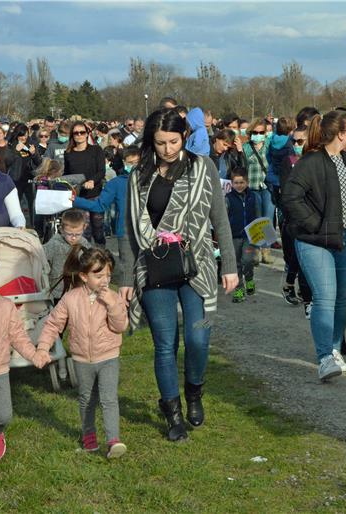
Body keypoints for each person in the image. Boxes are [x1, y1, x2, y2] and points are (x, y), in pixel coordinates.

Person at [118, 108, 237, 442]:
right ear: (150, 142)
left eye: (173, 141)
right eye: (160, 143)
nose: (167, 149)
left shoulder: (203, 168)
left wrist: (229, 264)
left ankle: (194, 393)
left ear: (184, 136)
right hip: (155, 266)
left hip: (196, 263)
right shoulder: (139, 174)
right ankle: (172, 413)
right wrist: (126, 278)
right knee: (165, 343)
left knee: (199, 338)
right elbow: (128, 229)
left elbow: (220, 219)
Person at [282, 110, 346, 381]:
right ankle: (324, 357)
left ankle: (334, 350)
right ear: (340, 134)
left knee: (342, 298)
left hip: (345, 240)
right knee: (325, 296)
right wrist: (314, 224)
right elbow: (290, 197)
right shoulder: (311, 162)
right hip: (315, 241)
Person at [37, 247, 128, 459]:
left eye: (108, 275)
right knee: (86, 399)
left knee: (109, 399)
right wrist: (42, 347)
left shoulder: (113, 298)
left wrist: (113, 305)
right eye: (98, 275)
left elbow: (120, 326)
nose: (105, 280)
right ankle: (89, 438)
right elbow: (53, 324)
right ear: (84, 276)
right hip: (81, 359)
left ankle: (113, 440)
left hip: (108, 357)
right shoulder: (71, 298)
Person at [0, 250, 51, 479]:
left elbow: (19, 336)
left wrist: (34, 355)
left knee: (3, 415)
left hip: (0, 370)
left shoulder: (6, 306)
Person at [73, 146, 140, 281]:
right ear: (123, 162)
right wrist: (76, 200)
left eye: (136, 162)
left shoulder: (152, 179)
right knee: (128, 273)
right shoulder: (116, 183)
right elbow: (99, 205)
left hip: (151, 230)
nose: (133, 166)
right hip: (126, 232)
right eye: (129, 163)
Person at [279, 125, 313, 313]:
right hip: (294, 216)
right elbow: (286, 190)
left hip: (311, 215)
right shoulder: (289, 161)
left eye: (301, 141)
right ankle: (291, 282)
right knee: (296, 255)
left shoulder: (315, 160)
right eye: (294, 141)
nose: (297, 145)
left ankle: (306, 291)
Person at [64, 121, 106, 246]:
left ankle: (101, 254)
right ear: (72, 135)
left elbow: (101, 171)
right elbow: (67, 174)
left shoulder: (96, 150)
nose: (79, 135)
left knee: (98, 229)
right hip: (79, 198)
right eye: (76, 133)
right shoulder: (69, 153)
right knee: (85, 231)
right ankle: (85, 258)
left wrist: (92, 181)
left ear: (87, 134)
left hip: (95, 196)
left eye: (82, 132)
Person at [225, 167, 260, 303]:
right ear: (232, 183)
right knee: (236, 264)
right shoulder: (228, 198)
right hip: (233, 237)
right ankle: (239, 289)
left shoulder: (253, 197)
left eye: (242, 182)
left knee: (247, 260)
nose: (239, 185)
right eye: (236, 183)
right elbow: (225, 218)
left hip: (249, 237)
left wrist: (259, 235)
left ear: (247, 182)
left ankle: (249, 278)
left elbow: (258, 216)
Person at [243, 118, 275, 264]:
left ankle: (266, 250)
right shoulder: (246, 147)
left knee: (267, 218)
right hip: (252, 187)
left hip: (267, 187)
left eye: (261, 132)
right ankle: (255, 250)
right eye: (255, 132)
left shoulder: (269, 145)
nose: (258, 135)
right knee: (256, 219)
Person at [43, 209, 92, 301]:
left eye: (78, 234)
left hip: (79, 291)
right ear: (61, 230)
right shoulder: (54, 244)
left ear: (84, 228)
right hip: (59, 292)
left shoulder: (85, 244)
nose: (73, 238)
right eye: (69, 234)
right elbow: (41, 259)